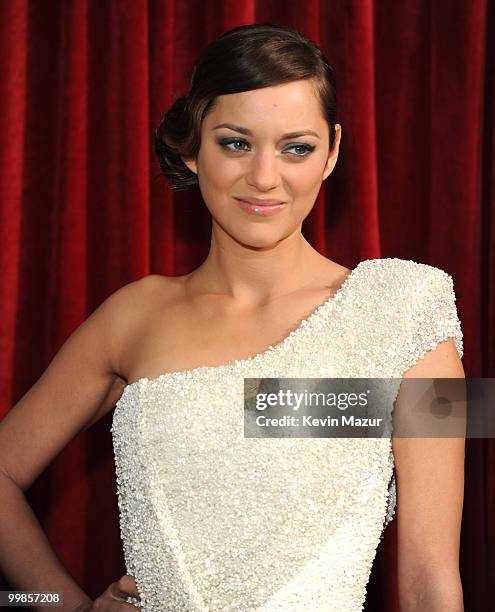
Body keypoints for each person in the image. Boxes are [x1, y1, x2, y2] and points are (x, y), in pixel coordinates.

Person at [0, 22, 465, 612]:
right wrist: (59, 605)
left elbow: (430, 579)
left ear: (333, 153)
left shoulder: (408, 310)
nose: (265, 177)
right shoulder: (132, 315)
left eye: (296, 146)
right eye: (236, 143)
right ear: (192, 148)